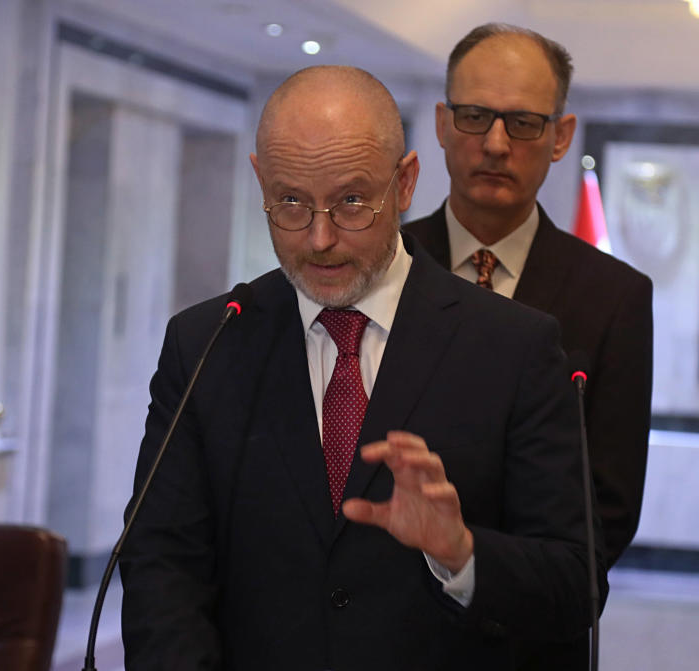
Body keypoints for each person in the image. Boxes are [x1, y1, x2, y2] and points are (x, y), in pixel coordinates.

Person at [120, 65, 605, 670]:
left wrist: (462, 553)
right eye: (291, 201)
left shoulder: (514, 346)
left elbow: (573, 586)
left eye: (351, 201)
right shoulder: (207, 343)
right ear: (260, 181)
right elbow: (161, 565)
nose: (319, 238)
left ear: (404, 184)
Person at [403, 24, 652, 571]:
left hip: (527, 625)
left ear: (560, 136)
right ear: (443, 124)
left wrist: (473, 573)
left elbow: (607, 510)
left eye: (523, 123)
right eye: (474, 116)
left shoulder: (616, 298)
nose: (495, 143)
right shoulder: (385, 263)